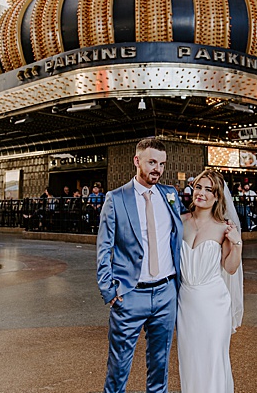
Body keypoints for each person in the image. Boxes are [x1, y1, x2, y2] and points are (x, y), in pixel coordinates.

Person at [96, 138, 183, 393]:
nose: (157, 168)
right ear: (137, 161)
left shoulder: (170, 195)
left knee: (160, 368)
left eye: (162, 164)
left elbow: (181, 230)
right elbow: (103, 247)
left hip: (166, 292)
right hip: (130, 294)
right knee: (118, 370)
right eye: (152, 162)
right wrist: (109, 290)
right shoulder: (116, 198)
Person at [178, 169, 243, 392]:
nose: (201, 193)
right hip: (185, 303)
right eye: (198, 187)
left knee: (214, 359)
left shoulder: (224, 228)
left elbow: (231, 268)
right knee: (190, 361)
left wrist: (236, 243)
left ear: (217, 197)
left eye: (209, 190)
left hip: (214, 304)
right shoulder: (180, 221)